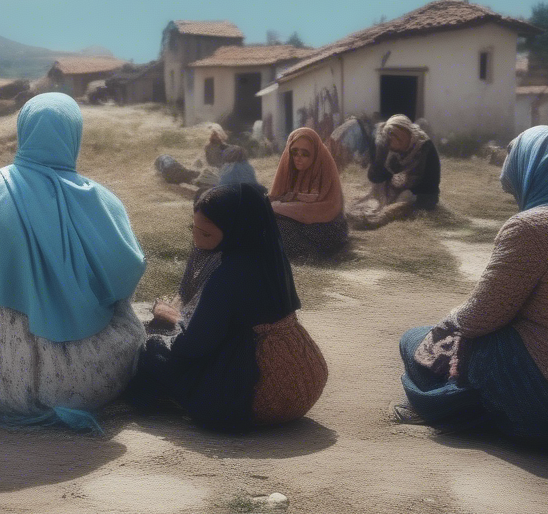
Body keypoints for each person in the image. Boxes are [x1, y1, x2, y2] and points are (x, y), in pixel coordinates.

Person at [397, 126, 548, 448]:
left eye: (513, 154)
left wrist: (450, 324)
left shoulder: (532, 227)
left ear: (531, 168)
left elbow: (477, 318)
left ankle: (454, 408)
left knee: (415, 341)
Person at [0, 93, 147, 431]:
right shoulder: (99, 199)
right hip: (77, 385)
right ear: (74, 135)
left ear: (24, 129)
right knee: (129, 319)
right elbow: (125, 275)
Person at [133, 183, 328, 431]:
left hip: (262, 397)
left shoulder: (227, 275)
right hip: (306, 380)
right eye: (194, 230)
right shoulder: (269, 258)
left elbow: (193, 345)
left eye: (205, 235)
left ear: (236, 230)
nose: (197, 240)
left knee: (153, 351)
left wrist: (166, 321)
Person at [348, 114, 440, 230]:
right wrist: (382, 159)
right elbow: (375, 176)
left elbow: (425, 186)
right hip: (396, 186)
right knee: (374, 195)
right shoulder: (387, 142)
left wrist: (401, 184)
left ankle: (375, 220)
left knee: (404, 198)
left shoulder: (424, 147)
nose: (394, 142)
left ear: (409, 134)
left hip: (420, 192)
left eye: (400, 138)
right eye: (392, 138)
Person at [269, 128, 348, 260]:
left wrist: (278, 207)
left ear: (315, 154)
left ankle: (308, 255)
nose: (298, 158)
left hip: (327, 225)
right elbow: (277, 198)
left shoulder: (324, 168)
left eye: (305, 154)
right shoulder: (290, 171)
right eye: (294, 152)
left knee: (283, 227)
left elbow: (323, 210)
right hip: (299, 222)